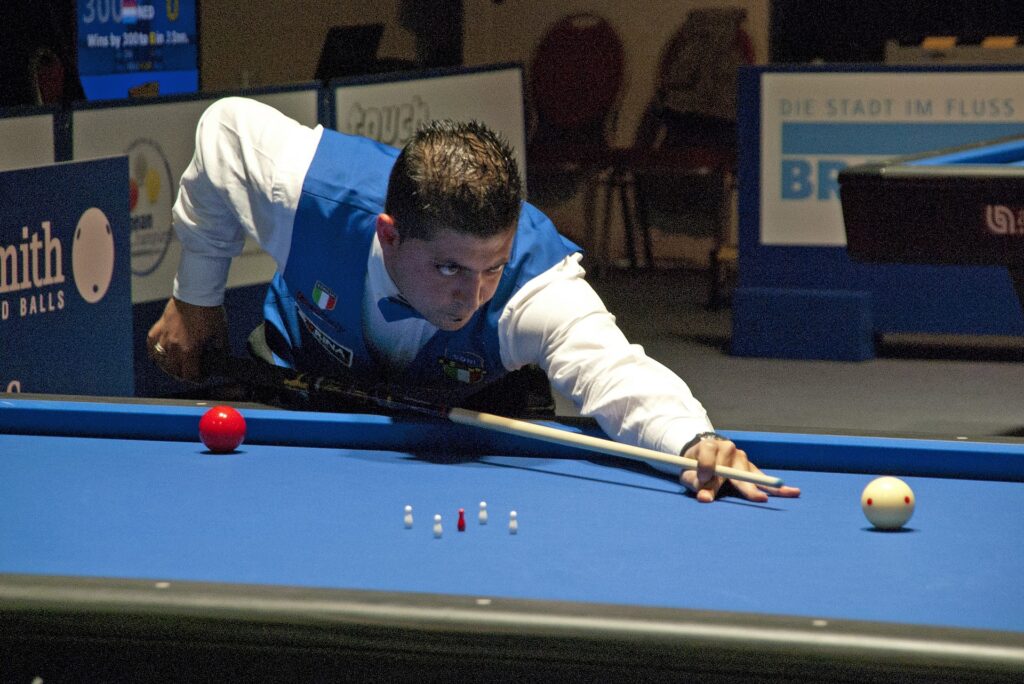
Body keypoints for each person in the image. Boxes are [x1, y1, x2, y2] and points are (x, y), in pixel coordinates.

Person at [147, 97, 800, 504]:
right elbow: (223, 130)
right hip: (302, 379)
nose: (473, 295)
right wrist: (195, 298)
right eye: (450, 267)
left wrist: (694, 439)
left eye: (492, 266)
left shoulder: (534, 287)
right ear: (390, 235)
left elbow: (616, 371)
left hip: (471, 419)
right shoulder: (306, 192)